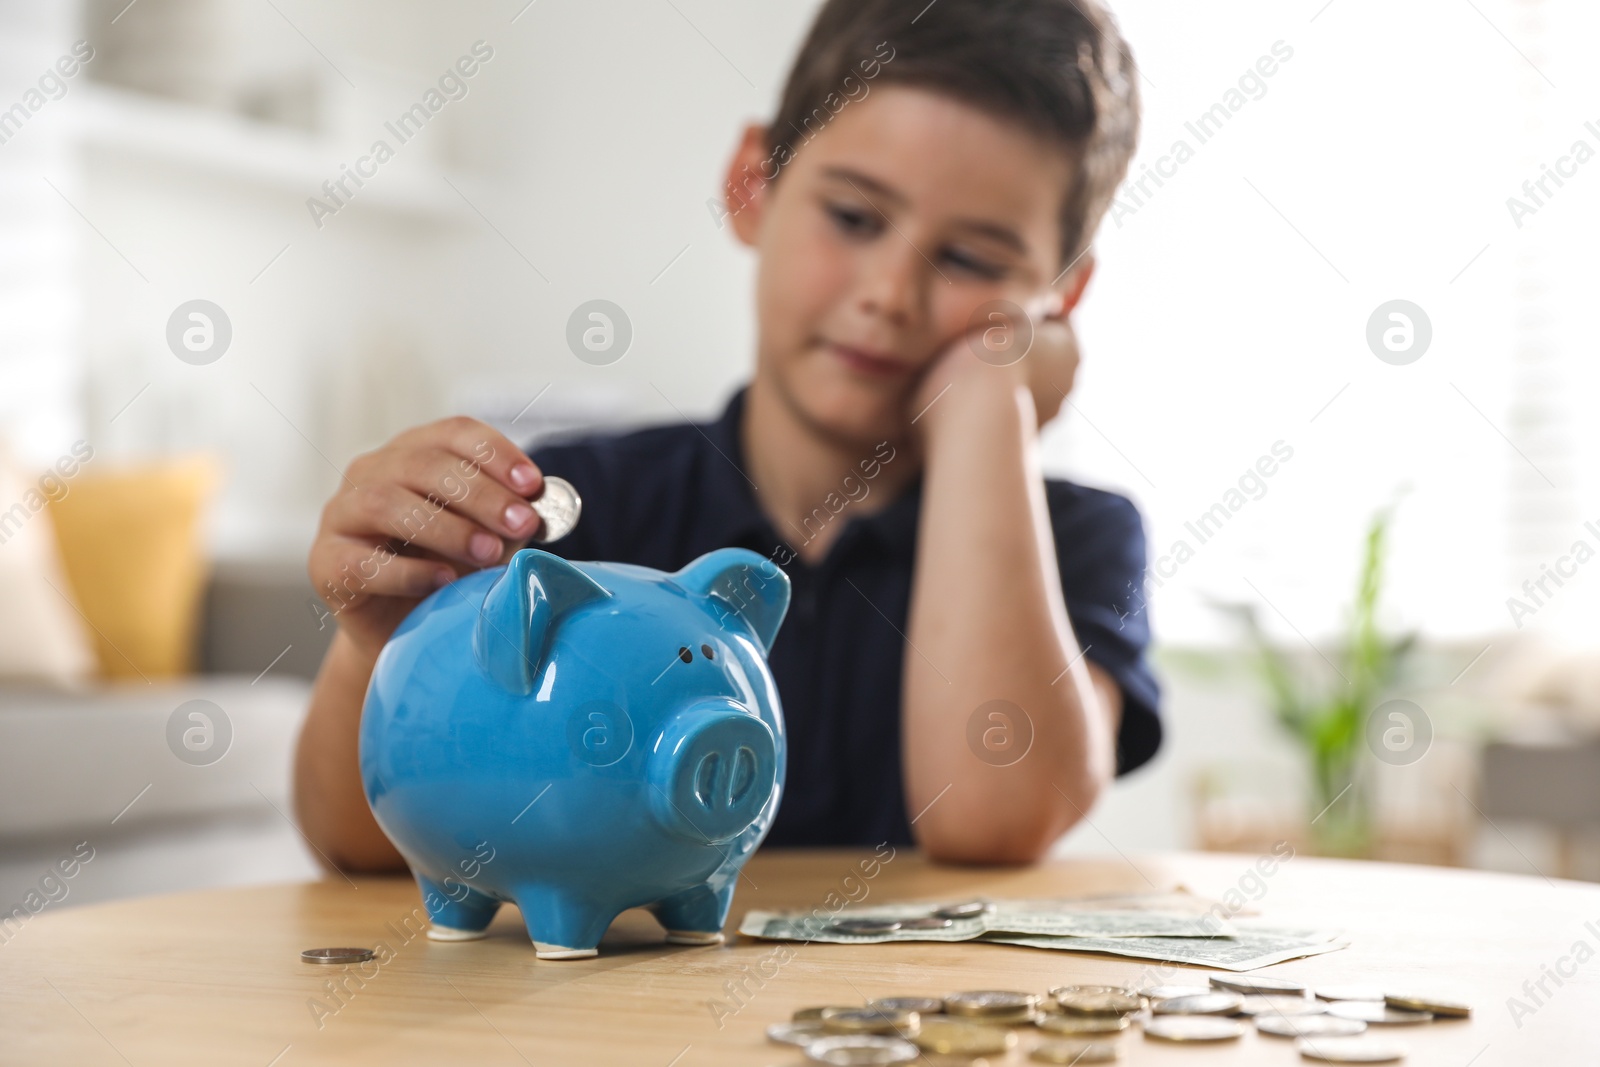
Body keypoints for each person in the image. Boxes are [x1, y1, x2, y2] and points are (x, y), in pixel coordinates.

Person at [294, 0, 1159, 872]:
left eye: (970, 260)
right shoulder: (570, 516)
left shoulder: (1077, 540)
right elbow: (358, 848)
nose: (892, 293)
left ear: (1063, 294)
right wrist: (383, 644)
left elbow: (990, 815)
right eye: (855, 218)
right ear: (753, 184)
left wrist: (987, 399)